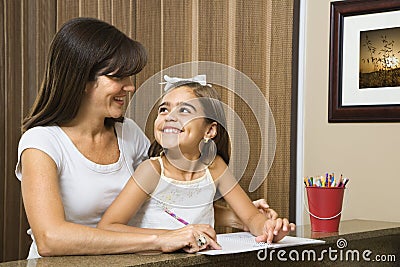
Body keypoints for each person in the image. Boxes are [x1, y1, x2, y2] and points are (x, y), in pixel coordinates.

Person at [15, 17, 281, 259]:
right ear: (81, 80)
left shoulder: (128, 133)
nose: (130, 86)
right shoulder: (42, 143)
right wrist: (161, 239)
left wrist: (244, 218)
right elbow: (51, 239)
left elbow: (162, 202)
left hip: (123, 260)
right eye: (117, 76)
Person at [98, 76, 295, 248]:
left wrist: (269, 228)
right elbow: (108, 227)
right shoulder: (151, 170)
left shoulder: (215, 167)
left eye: (184, 110)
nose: (170, 117)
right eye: (164, 110)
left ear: (209, 131)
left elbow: (251, 217)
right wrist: (171, 237)